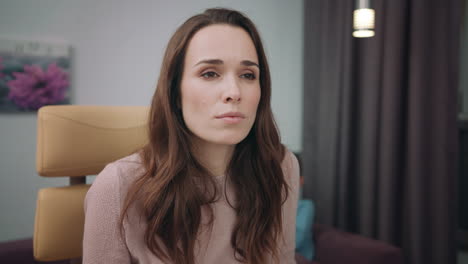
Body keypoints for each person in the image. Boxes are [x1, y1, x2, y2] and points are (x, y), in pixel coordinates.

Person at [82, 8, 300, 264]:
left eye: (247, 75)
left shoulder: (280, 166)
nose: (234, 92)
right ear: (175, 93)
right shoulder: (117, 186)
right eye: (209, 73)